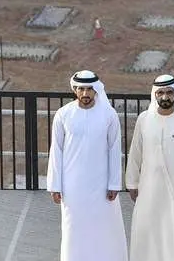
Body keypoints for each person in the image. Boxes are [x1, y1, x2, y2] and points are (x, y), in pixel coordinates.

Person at [46, 70, 128, 261]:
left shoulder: (109, 115)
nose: (85, 94)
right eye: (81, 89)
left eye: (89, 89)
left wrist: (114, 184)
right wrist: (55, 186)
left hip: (101, 185)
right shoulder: (63, 114)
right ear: (75, 90)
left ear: (96, 90)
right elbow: (56, 150)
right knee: (73, 228)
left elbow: (114, 149)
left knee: (104, 228)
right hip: (72, 185)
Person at [125, 74, 174, 261]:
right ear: (155, 95)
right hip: (149, 188)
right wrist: (132, 183)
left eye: (169, 92)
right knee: (148, 230)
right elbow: (135, 153)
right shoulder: (144, 119)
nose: (165, 97)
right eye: (160, 92)